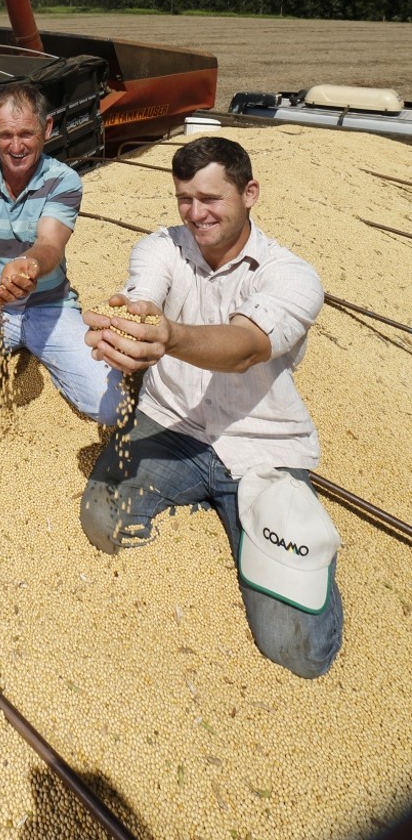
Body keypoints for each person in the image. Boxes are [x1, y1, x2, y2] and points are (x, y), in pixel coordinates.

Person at [79, 135, 343, 679]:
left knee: (298, 650)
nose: (196, 213)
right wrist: (129, 318)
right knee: (102, 523)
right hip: (171, 423)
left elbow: (245, 348)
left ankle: (277, 527)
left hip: (259, 446)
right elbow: (145, 295)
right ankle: (205, 501)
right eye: (184, 198)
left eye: (210, 198)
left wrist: (168, 337)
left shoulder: (290, 276)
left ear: (250, 193)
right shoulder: (163, 246)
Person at [0, 81, 121, 423]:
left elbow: (49, 245)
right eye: (5, 135)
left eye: (26, 134)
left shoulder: (64, 180)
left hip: (49, 306)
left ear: (46, 128)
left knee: (108, 405)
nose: (16, 146)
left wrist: (29, 266)